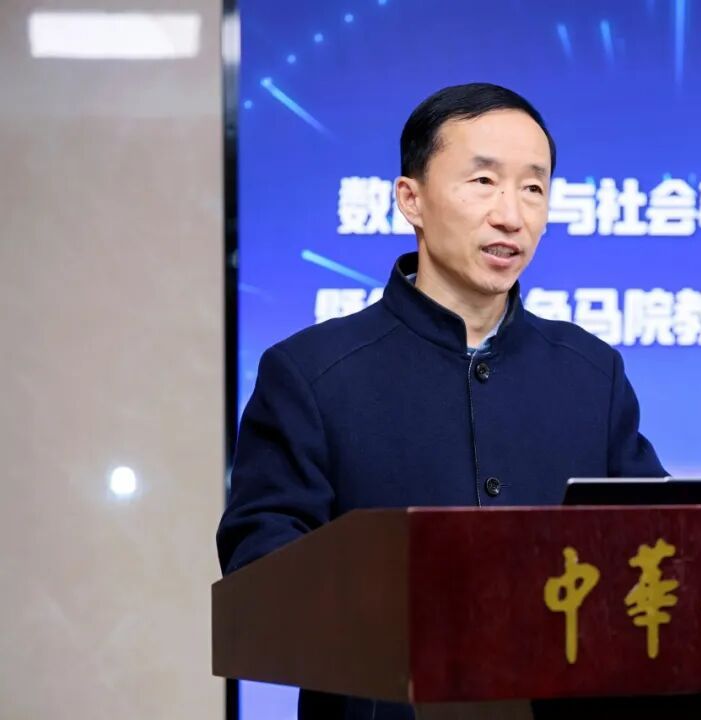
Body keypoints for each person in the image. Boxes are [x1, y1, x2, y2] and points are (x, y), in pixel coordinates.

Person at [217, 82, 667, 720]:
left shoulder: (592, 373)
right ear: (411, 199)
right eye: (483, 182)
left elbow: (662, 548)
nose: (511, 215)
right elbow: (261, 577)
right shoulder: (310, 375)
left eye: (533, 188)